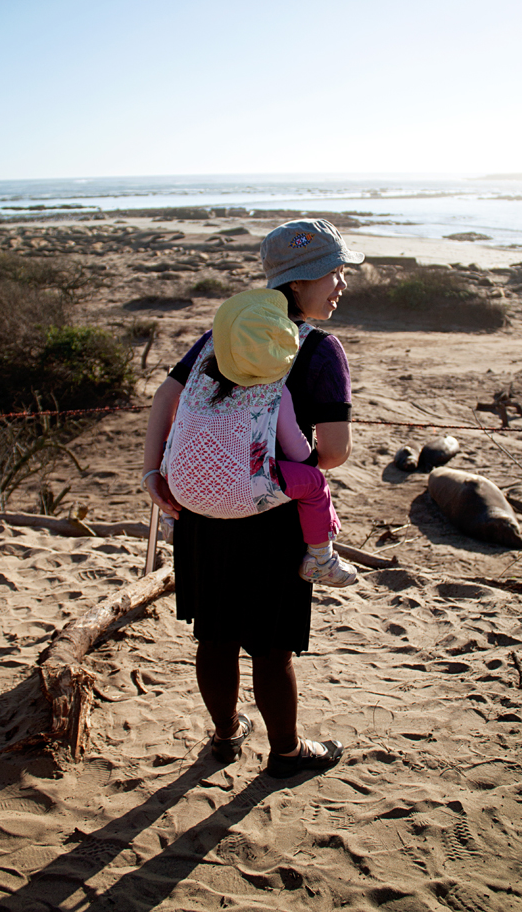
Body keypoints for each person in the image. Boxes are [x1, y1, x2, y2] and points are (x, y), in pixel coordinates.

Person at [142, 218, 364, 778]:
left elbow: (166, 398)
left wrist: (153, 471)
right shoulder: (320, 349)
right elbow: (333, 451)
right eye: (333, 274)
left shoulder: (227, 330)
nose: (341, 286)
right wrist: (278, 470)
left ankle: (224, 735)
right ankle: (287, 753)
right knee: (271, 647)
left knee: (214, 635)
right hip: (271, 518)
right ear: (299, 284)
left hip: (202, 508)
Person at [160, 286, 358, 587]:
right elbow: (298, 452)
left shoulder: (202, 381)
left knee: (175, 448)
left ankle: (167, 522)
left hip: (182, 490)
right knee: (314, 484)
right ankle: (320, 559)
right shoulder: (276, 391)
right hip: (243, 491)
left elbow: (173, 415)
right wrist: (308, 464)